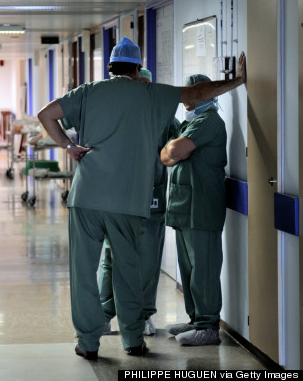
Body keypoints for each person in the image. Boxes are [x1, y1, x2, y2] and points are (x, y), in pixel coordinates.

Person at [36, 37, 245, 360]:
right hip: (128, 202)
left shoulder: (88, 92)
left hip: (86, 197)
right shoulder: (149, 93)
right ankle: (132, 339)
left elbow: (46, 114)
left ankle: (88, 342)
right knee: (128, 271)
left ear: (110, 68)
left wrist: (68, 146)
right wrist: (238, 80)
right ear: (137, 69)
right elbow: (196, 94)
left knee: (83, 272)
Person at [98, 68, 180, 337]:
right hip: (118, 198)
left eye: (145, 86)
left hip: (150, 200)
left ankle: (142, 315)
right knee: (111, 259)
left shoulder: (162, 114)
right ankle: (103, 315)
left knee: (147, 261)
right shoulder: (115, 113)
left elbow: (177, 145)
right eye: (137, 85)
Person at [161, 74, 227, 346]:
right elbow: (169, 155)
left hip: (201, 207)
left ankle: (208, 326)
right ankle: (194, 319)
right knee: (188, 268)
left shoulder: (208, 121)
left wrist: (173, 151)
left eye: (194, 95)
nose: (187, 101)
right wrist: (172, 152)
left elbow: (173, 152)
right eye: (186, 95)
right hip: (185, 208)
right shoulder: (190, 124)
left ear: (206, 96)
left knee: (204, 268)